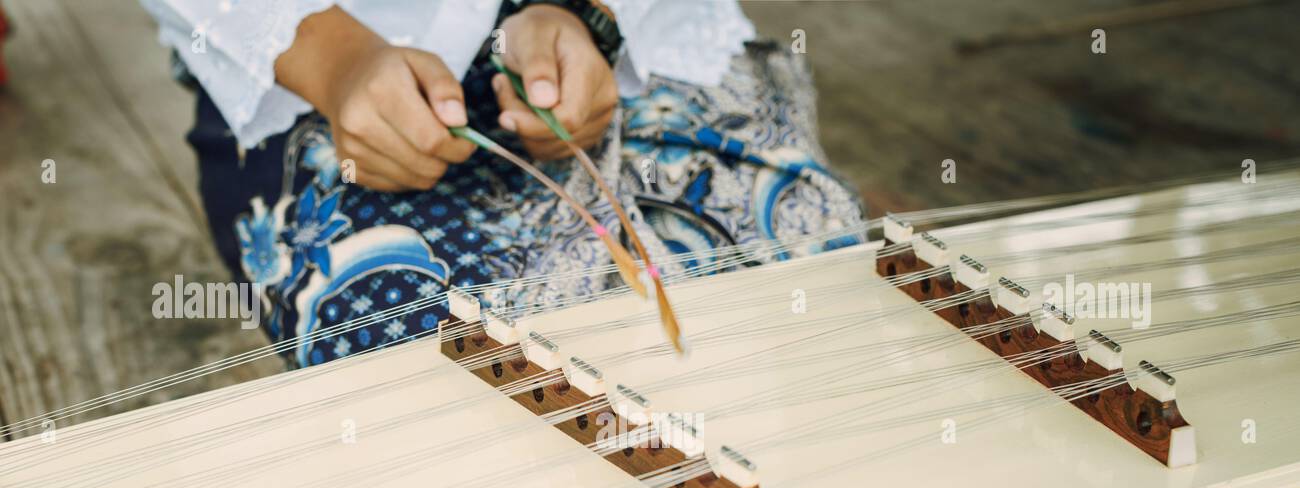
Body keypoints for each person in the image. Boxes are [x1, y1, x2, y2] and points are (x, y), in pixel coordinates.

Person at [142, 0, 864, 367]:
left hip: (642, 34)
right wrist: (333, 61)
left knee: (813, 304)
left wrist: (588, 17)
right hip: (321, 58)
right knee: (422, 364)